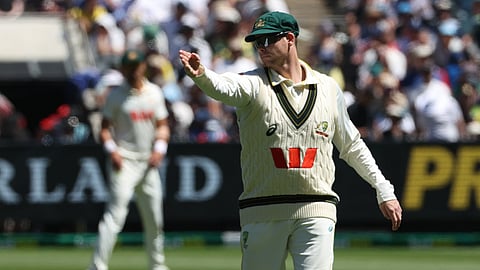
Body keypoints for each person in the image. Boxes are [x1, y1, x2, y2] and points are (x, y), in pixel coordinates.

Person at [179, 11, 402, 270]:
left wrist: (383, 188)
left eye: (267, 40)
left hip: (316, 206)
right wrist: (203, 75)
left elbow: (351, 144)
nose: (261, 48)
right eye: (256, 42)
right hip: (262, 210)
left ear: (289, 39)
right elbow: (225, 87)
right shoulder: (253, 84)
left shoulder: (328, 87)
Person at [87, 49, 170, 270]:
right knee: (114, 218)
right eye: (128, 67)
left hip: (148, 164)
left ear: (143, 67)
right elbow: (104, 130)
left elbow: (162, 126)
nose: (133, 71)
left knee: (154, 220)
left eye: (136, 66)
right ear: (123, 69)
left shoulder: (154, 93)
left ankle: (157, 265)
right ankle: (97, 266)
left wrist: (159, 150)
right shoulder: (116, 96)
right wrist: (112, 150)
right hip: (123, 162)